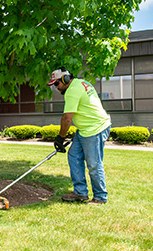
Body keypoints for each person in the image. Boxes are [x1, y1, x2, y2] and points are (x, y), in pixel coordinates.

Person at [46, 67, 111, 205]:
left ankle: (100, 197)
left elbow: (67, 119)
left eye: (57, 84)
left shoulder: (72, 91)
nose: (56, 88)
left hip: (95, 129)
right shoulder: (81, 83)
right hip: (84, 130)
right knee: (74, 155)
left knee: (93, 164)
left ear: (66, 79)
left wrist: (60, 138)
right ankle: (80, 192)